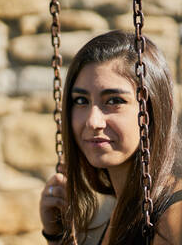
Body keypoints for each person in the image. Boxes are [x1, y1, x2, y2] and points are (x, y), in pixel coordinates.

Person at [39, 30, 182, 245]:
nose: (92, 121)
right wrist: (58, 237)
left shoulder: (173, 217)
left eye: (114, 100)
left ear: (154, 108)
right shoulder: (125, 209)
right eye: (80, 101)